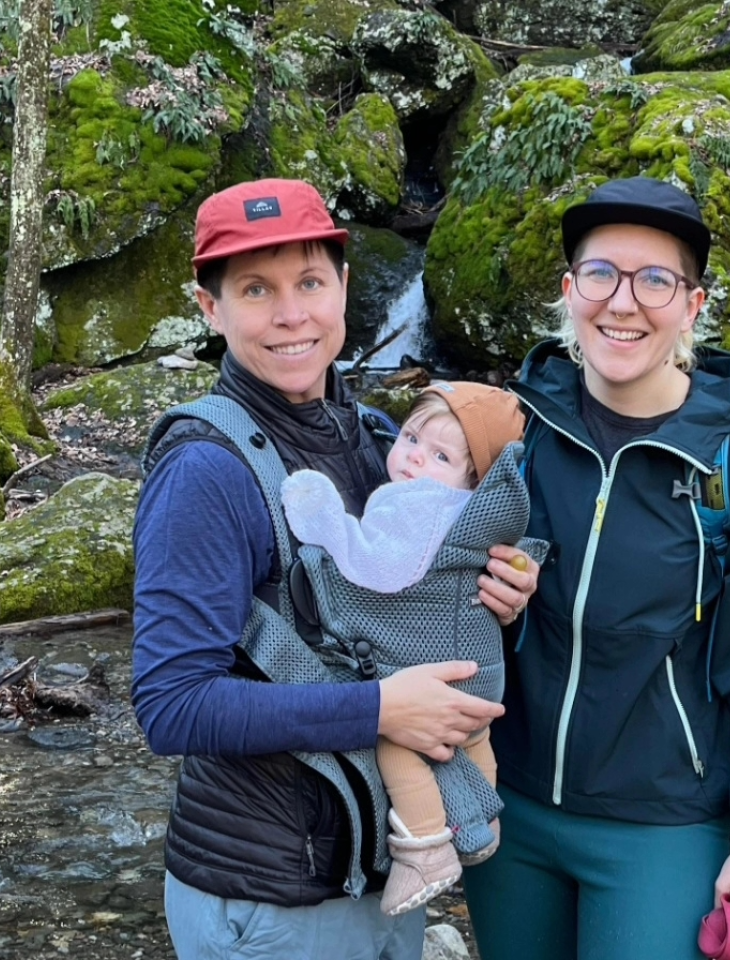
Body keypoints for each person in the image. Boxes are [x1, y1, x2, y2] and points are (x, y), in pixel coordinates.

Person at [130, 178, 539, 960]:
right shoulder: (203, 473)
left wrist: (496, 589)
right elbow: (172, 705)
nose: (292, 315)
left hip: (371, 879)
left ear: (344, 287)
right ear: (209, 308)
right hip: (267, 901)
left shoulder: (378, 438)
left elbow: (404, 598)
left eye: (310, 282)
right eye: (257, 289)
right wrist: (379, 709)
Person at [462, 176, 730, 960]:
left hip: (662, 825)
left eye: (655, 279)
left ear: (693, 305)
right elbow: (422, 581)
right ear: (570, 291)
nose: (623, 303)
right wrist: (490, 600)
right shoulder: (517, 432)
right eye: (601, 274)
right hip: (509, 807)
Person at [281, 382, 544, 917]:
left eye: (442, 456)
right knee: (472, 740)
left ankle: (426, 847)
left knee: (396, 742)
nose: (416, 457)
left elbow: (377, 566)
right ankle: (479, 824)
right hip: (479, 671)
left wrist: (322, 517)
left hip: (435, 671)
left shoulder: (420, 506)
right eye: (411, 437)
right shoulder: (473, 511)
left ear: (475, 478)